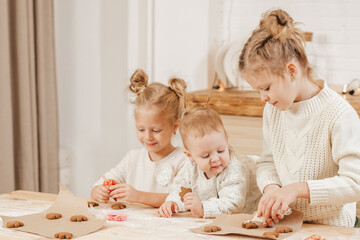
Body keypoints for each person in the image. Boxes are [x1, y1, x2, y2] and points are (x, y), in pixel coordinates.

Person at [239, 9, 360, 227]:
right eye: (258, 90)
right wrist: (273, 189)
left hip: (331, 227)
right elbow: (267, 162)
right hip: (286, 225)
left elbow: (355, 183)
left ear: (292, 71)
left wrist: (297, 189)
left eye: (266, 88)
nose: (262, 98)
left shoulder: (340, 115)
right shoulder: (273, 110)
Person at [91, 69, 188, 207]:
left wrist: (138, 196)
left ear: (175, 126)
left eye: (155, 130)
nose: (148, 137)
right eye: (141, 129)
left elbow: (182, 199)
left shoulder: (184, 160)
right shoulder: (132, 159)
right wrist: (99, 192)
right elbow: (99, 185)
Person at [156, 107, 260, 218]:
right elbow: (180, 188)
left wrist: (203, 208)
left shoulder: (234, 167)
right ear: (190, 156)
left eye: (221, 150)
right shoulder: (190, 166)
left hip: (251, 207)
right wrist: (173, 202)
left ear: (226, 139)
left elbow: (234, 202)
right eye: (206, 156)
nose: (215, 158)